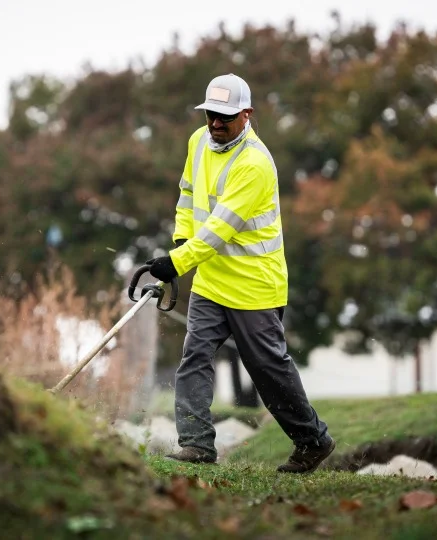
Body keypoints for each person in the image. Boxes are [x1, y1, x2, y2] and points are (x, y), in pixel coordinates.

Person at [145, 73, 336, 473]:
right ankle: (197, 444)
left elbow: (217, 231)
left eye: (225, 117)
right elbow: (188, 195)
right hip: (212, 282)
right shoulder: (198, 142)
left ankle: (313, 440)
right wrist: (181, 240)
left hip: (255, 286)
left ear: (246, 115)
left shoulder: (255, 164)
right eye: (211, 115)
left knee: (269, 371)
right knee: (194, 357)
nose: (215, 124)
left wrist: (175, 264)